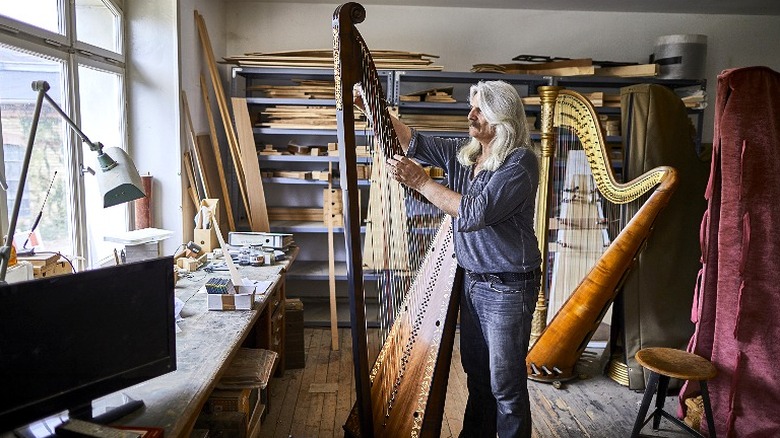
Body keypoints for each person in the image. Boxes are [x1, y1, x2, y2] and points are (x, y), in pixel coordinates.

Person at [363, 80, 542, 437]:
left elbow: (474, 212)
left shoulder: (519, 162)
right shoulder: (468, 154)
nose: (470, 114)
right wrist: (373, 107)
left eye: (479, 109)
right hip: (474, 282)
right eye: (471, 106)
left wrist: (420, 183)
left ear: (502, 117)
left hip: (507, 287)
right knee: (478, 377)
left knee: (505, 387)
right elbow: (412, 141)